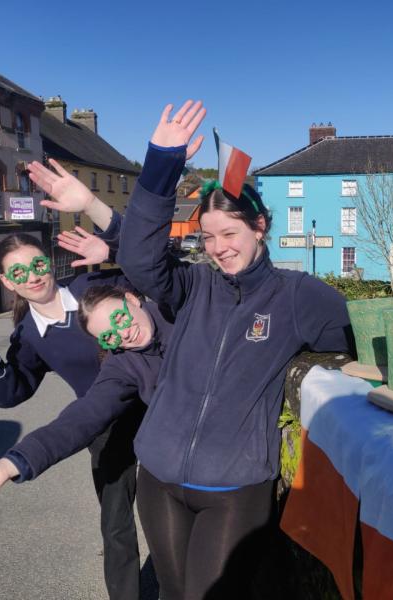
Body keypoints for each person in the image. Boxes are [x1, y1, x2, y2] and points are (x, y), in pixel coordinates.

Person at [111, 100, 353, 599]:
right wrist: (161, 160)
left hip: (235, 490)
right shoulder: (193, 285)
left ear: (260, 228)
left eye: (230, 233)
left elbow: (359, 345)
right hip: (159, 478)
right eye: (208, 237)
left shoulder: (299, 295)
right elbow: (136, 259)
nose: (218, 247)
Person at [0, 222, 143, 600]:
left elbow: (155, 272)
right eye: (19, 273)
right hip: (101, 423)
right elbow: (11, 392)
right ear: (7, 283)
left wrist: (113, 249)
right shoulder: (29, 334)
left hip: (158, 408)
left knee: (169, 513)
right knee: (115, 525)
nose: (33, 277)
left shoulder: (95, 287)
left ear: (50, 262)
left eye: (38, 265)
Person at [0, 285, 171, 523]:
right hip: (131, 436)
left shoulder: (184, 316)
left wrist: (111, 247)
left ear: (132, 299)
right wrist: (10, 464)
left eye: (120, 318)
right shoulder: (120, 363)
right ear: (7, 281)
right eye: (109, 336)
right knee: (120, 516)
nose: (124, 333)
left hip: (192, 452)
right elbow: (83, 415)